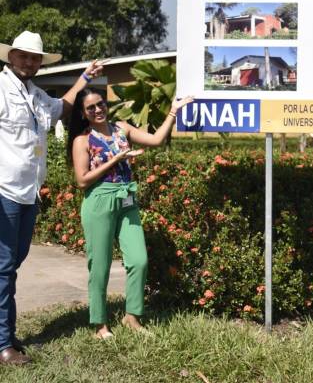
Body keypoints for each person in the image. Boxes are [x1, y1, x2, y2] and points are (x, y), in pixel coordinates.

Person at [0, 31, 104, 366]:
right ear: (10, 56)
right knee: (3, 269)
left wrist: (85, 77)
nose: (29, 62)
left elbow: (63, 107)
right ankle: (4, 345)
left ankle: (5, 333)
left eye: (35, 58)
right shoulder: (1, 90)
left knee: (12, 266)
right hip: (4, 192)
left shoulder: (35, 93)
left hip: (28, 193)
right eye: (23, 56)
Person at [67, 88, 193, 339]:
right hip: (100, 201)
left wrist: (173, 112)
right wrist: (115, 159)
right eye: (90, 108)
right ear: (83, 113)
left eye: (100, 104)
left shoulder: (121, 128)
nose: (97, 110)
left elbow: (156, 140)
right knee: (100, 266)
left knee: (138, 260)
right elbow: (82, 181)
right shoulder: (82, 140)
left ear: (106, 103)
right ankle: (100, 324)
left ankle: (131, 316)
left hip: (127, 198)